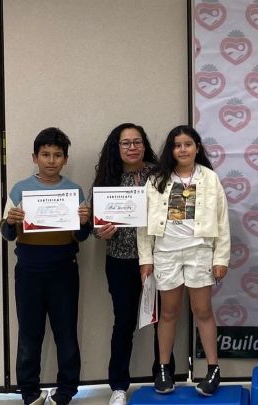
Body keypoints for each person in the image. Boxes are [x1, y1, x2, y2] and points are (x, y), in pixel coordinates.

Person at [0, 128, 91, 405]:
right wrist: (11, 221)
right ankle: (29, 392)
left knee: (66, 332)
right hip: (28, 269)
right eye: (45, 154)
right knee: (29, 333)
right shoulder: (19, 189)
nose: (51, 160)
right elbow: (7, 234)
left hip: (64, 268)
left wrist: (84, 222)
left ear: (65, 159)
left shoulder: (74, 190)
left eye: (57, 155)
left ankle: (66, 393)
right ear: (34, 157)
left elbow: (82, 237)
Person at [137, 125, 230, 396]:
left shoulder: (210, 178)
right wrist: (146, 258)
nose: (183, 149)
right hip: (165, 253)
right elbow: (143, 225)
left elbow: (222, 221)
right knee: (168, 312)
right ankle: (163, 368)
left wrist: (220, 257)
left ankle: (213, 369)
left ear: (197, 148)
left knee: (203, 311)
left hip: (200, 251)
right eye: (177, 145)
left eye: (188, 144)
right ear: (171, 149)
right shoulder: (156, 179)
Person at [91, 123, 162, 405]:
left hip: (158, 261)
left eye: (137, 142)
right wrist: (101, 232)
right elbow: (94, 224)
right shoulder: (107, 178)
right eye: (126, 143)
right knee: (124, 323)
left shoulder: (159, 175)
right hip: (120, 262)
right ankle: (119, 386)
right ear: (116, 147)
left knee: (162, 322)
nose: (132, 147)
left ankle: (163, 375)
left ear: (144, 145)